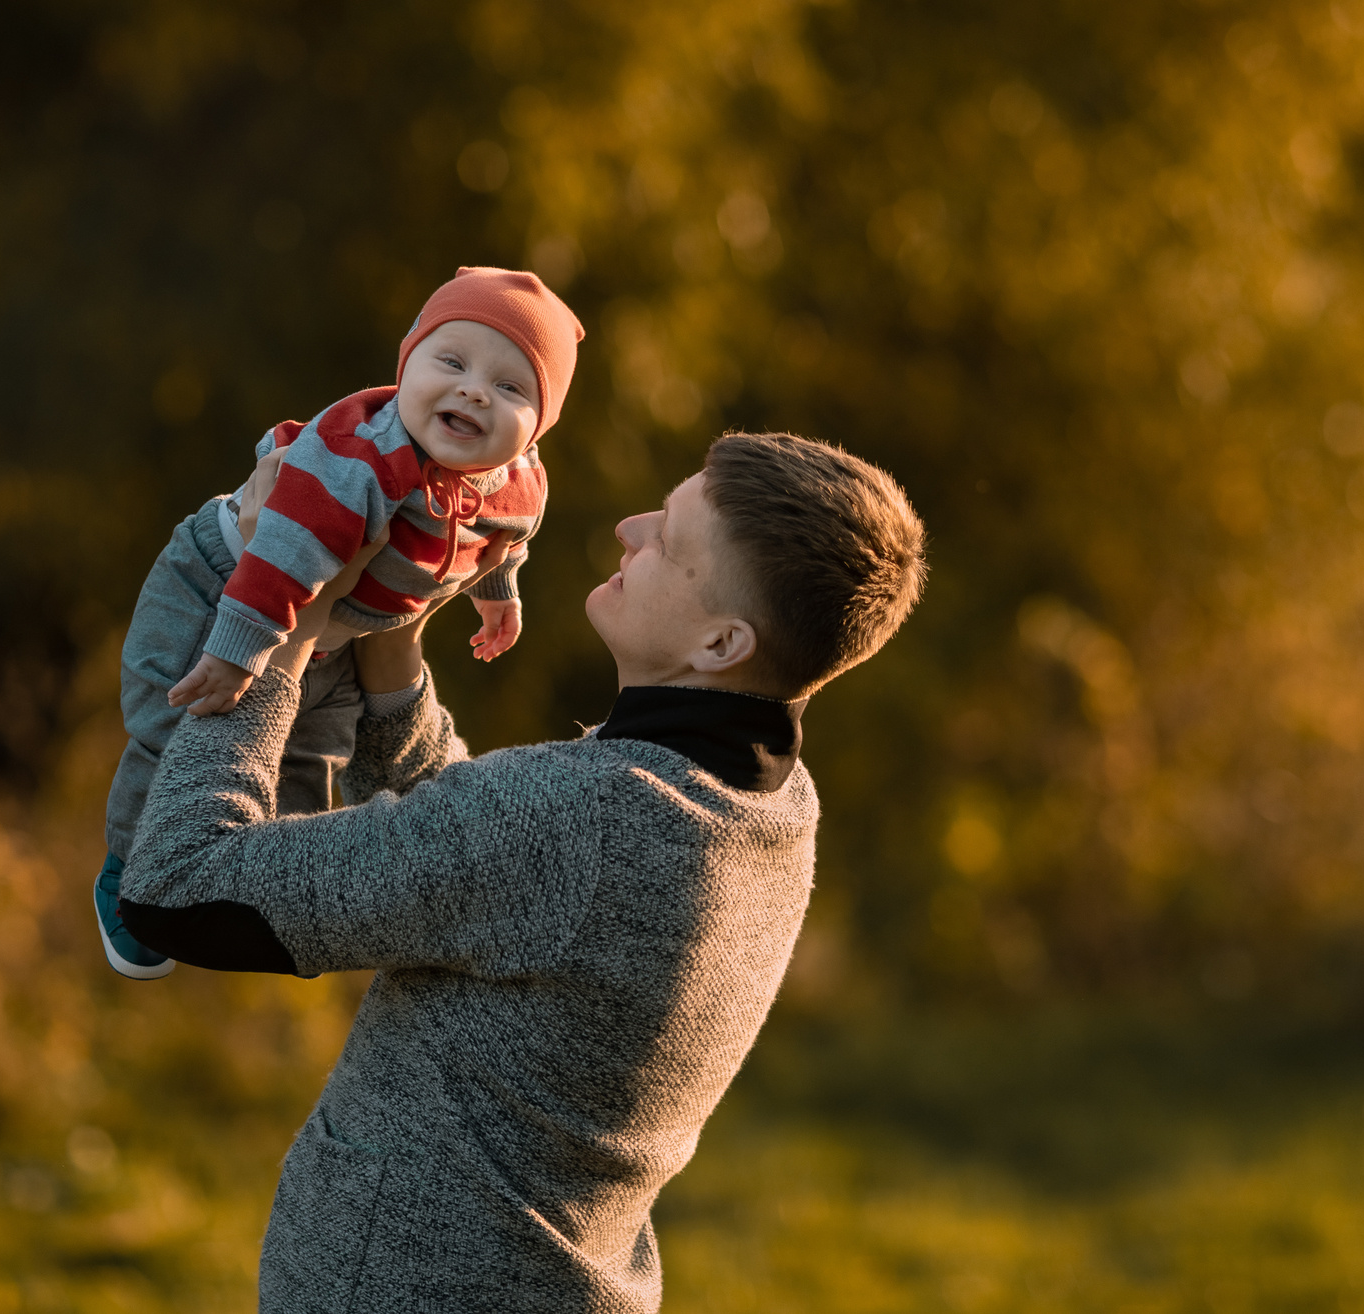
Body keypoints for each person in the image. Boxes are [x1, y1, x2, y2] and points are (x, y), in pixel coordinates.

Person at [119, 430, 927, 1312]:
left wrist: (281, 616)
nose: (630, 527)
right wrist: (393, 660)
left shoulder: (579, 819)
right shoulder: (768, 805)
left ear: (722, 642)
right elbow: (479, 873)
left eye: (670, 541)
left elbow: (180, 888)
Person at [93, 266, 586, 981]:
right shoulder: (361, 456)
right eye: (451, 362)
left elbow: (510, 535)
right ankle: (130, 864)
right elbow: (288, 556)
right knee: (181, 720)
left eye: (511, 388)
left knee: (304, 769)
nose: (475, 389)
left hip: (337, 636)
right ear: (406, 363)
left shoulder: (518, 482)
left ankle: (238, 895)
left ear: (535, 430)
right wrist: (237, 652)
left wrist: (498, 593)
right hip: (229, 584)